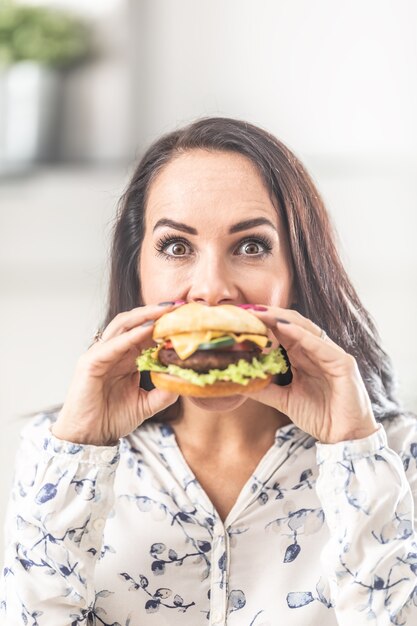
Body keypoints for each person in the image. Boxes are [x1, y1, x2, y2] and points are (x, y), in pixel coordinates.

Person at [1, 117, 416, 626]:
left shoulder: (396, 457)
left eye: (251, 246)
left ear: (296, 272)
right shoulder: (56, 452)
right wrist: (80, 451)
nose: (212, 287)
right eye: (176, 247)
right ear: (138, 269)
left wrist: (353, 448)